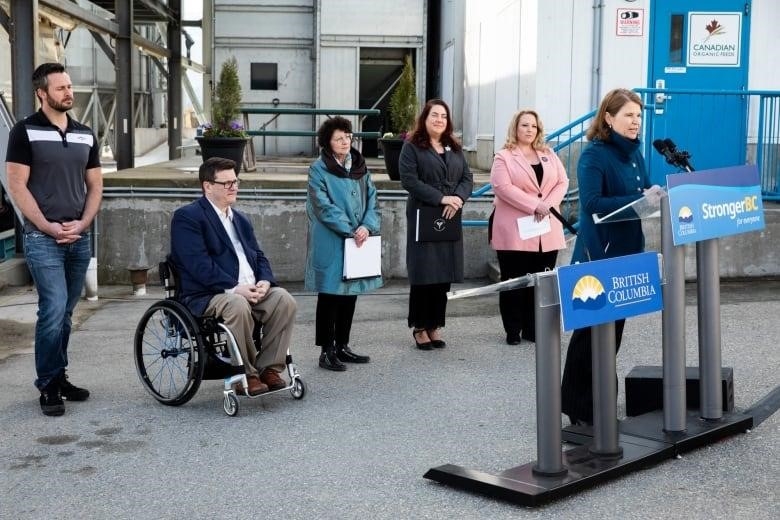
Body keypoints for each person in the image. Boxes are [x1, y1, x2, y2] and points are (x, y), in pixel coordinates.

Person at [5, 62, 103, 417]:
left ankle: (59, 376)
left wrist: (82, 223)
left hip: (78, 236)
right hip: (42, 238)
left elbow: (95, 186)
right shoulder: (24, 132)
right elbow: (16, 185)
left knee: (66, 313)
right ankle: (47, 383)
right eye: (60, 88)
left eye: (69, 86)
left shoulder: (85, 133)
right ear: (41, 93)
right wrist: (47, 226)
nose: (68, 93)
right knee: (53, 309)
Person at [560, 88, 661, 426]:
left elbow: (641, 192)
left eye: (638, 115)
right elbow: (590, 203)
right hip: (598, 254)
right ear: (608, 117)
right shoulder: (594, 155)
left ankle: (600, 404)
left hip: (629, 250)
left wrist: (652, 196)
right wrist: (637, 196)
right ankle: (580, 409)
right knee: (590, 334)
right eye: (629, 115)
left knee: (613, 334)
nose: (636, 121)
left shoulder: (636, 154)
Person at [170, 157, 297, 396]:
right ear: (208, 186)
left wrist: (265, 281)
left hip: (249, 288)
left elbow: (258, 255)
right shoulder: (188, 217)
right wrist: (234, 287)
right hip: (209, 294)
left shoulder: (240, 219)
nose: (233, 187)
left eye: (235, 182)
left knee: (284, 300)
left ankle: (269, 368)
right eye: (227, 183)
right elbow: (197, 264)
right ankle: (246, 373)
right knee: (237, 305)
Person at [305, 116, 382, 371]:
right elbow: (322, 206)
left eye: (348, 137)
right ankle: (326, 351)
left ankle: (342, 346)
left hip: (358, 238)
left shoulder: (360, 166)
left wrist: (366, 226)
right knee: (329, 295)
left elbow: (373, 198)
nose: (345, 141)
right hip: (332, 239)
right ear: (327, 142)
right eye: (339, 138)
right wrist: (351, 230)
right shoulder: (318, 169)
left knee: (350, 294)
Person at [489, 110, 569, 345]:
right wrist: (535, 205)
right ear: (515, 128)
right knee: (514, 281)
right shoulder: (503, 156)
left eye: (534, 126)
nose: (529, 130)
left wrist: (548, 205)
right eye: (525, 125)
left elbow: (562, 181)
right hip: (515, 229)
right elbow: (502, 187)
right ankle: (513, 329)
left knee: (541, 281)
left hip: (546, 228)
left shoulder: (548, 153)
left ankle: (533, 328)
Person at [399, 99, 473, 350]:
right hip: (425, 213)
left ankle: (435, 325)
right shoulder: (412, 147)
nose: (439, 119)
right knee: (424, 272)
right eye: (434, 115)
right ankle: (420, 327)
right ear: (425, 118)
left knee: (443, 273)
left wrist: (458, 199)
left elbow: (467, 177)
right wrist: (442, 198)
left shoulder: (454, 146)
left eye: (443, 116)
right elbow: (409, 181)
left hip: (450, 215)